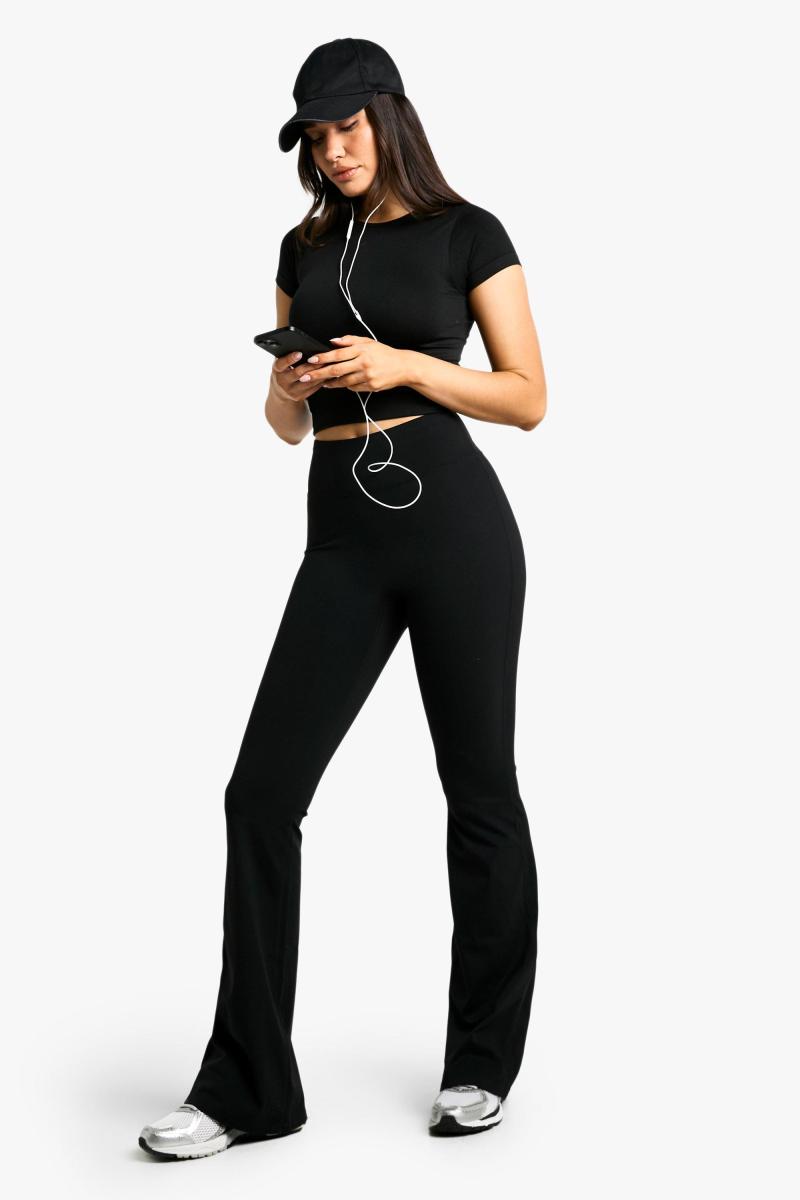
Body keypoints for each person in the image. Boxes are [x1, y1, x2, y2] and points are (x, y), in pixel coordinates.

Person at [139, 38, 546, 1160]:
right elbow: (283, 429)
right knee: (259, 795)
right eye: (315, 137)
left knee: (478, 791)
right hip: (343, 544)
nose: (333, 150)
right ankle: (248, 1089)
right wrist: (287, 384)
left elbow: (527, 397)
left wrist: (402, 366)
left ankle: (480, 1065)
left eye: (348, 127)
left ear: (388, 116)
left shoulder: (470, 233)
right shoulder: (302, 246)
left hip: (457, 531)